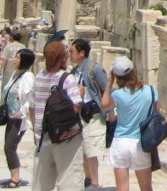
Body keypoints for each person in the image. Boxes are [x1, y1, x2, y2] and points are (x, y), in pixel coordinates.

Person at [29, 40, 84, 191]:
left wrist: (36, 131)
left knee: (42, 184)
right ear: (62, 58)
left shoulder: (39, 77)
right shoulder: (67, 78)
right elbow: (76, 106)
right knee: (69, 180)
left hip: (43, 138)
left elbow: (32, 108)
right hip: (66, 138)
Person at [101, 55, 158, 191]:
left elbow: (104, 106)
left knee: (122, 188)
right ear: (135, 71)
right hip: (140, 142)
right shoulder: (150, 91)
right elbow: (157, 112)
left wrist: (109, 83)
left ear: (116, 76)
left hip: (121, 142)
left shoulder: (118, 95)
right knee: (146, 188)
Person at [69, 38, 109, 190]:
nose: (69, 54)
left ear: (81, 53)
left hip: (93, 115)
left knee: (92, 150)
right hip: (80, 115)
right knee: (83, 150)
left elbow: (106, 89)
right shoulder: (74, 71)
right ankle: (87, 178)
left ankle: (95, 183)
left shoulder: (95, 69)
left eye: (71, 51)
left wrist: (111, 112)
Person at [0, 48, 37, 189]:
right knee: (8, 147)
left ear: (25, 61)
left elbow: (31, 98)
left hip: (20, 118)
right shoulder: (15, 74)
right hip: (10, 116)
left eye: (17, 57)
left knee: (10, 147)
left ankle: (15, 179)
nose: (14, 60)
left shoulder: (28, 77)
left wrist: (21, 112)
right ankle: (13, 176)